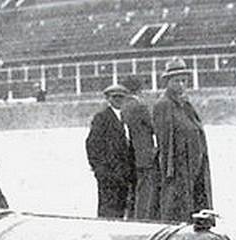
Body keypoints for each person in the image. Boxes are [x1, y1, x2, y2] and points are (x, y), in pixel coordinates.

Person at [152, 57, 213, 222]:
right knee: (178, 207)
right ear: (167, 82)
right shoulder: (163, 105)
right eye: (176, 81)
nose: (181, 85)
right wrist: (169, 172)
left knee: (199, 202)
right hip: (179, 167)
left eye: (184, 81)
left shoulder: (186, 104)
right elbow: (164, 142)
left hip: (196, 165)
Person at [85, 83, 135, 218]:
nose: (118, 100)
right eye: (115, 97)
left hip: (122, 172)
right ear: (108, 99)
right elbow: (91, 144)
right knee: (107, 208)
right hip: (108, 173)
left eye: (121, 97)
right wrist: (99, 169)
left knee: (120, 206)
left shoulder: (124, 117)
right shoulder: (101, 117)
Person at [122, 75, 158, 219]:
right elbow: (153, 127)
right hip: (144, 153)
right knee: (144, 188)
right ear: (139, 89)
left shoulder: (123, 106)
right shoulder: (140, 106)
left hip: (130, 154)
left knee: (132, 188)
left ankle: (130, 217)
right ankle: (141, 217)